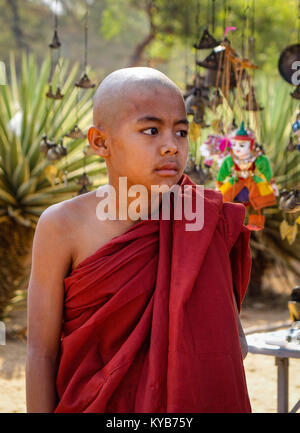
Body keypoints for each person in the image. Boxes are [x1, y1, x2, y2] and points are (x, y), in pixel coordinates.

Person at [26, 67, 252, 413]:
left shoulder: (206, 219)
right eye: (151, 130)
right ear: (100, 142)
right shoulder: (63, 225)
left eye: (180, 132)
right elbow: (41, 352)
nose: (171, 147)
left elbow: (232, 343)